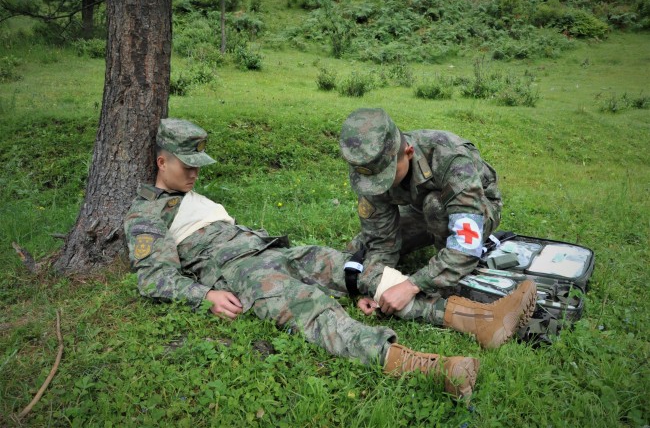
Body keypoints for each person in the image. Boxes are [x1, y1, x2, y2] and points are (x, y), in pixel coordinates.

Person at [124, 118, 536, 400]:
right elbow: (154, 278)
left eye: (198, 165)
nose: (195, 173)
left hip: (276, 250)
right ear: (162, 162)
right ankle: (432, 369)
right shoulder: (146, 214)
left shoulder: (194, 197)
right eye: (186, 165)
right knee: (315, 310)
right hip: (240, 271)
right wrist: (206, 297)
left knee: (364, 274)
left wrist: (373, 284)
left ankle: (480, 320)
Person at [339, 108, 507, 322]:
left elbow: (466, 245)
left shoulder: (450, 158)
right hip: (420, 209)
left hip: (478, 208)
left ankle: (448, 276)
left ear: (408, 153)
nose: (379, 187)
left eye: (386, 177)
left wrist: (413, 285)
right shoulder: (373, 169)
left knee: (435, 208)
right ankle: (435, 255)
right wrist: (375, 287)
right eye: (373, 181)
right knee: (359, 247)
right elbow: (381, 243)